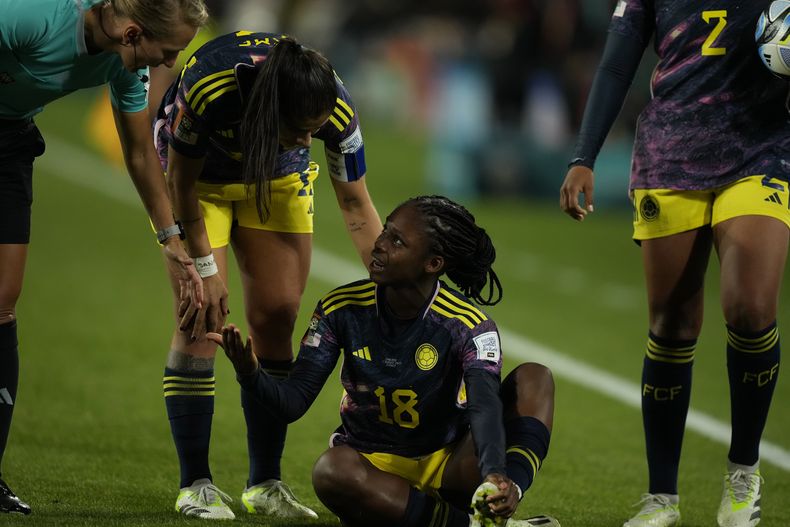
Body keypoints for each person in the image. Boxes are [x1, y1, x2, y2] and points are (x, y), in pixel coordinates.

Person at [559, 2, 789, 526]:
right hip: (672, 153)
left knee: (750, 308)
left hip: (761, 148)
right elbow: (617, 65)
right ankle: (662, 499)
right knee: (672, 324)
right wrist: (583, 156)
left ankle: (743, 474)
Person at [210, 195, 561, 527]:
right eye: (385, 231)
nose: (379, 244)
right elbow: (293, 403)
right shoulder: (341, 308)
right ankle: (474, 523)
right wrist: (250, 372)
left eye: (397, 242)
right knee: (330, 471)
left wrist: (496, 474)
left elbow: (484, 408)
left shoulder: (467, 325)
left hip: (449, 463)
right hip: (370, 468)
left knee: (535, 377)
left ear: (433, 263)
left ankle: (501, 497)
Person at [153, 32, 383, 520]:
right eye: (299, 128)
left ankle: (265, 482)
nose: (308, 140)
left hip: (276, 176)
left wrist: (395, 289)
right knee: (201, 316)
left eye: (313, 131)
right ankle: (195, 483)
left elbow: (356, 204)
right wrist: (206, 268)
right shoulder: (211, 87)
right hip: (199, 182)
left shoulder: (335, 108)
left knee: (278, 314)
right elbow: (180, 182)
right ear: (266, 105)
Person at [0, 0, 210, 515]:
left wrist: (171, 243)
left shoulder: (123, 62)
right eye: (170, 51)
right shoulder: (34, 16)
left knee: (2, 302)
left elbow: (139, 153)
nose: (167, 64)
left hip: (8, 142)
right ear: (134, 33)